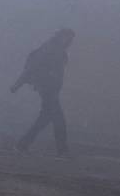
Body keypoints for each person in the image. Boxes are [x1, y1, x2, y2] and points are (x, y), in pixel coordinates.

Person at [12, 28, 75, 156]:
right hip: (47, 90)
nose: (67, 40)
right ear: (59, 36)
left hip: (51, 90)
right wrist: (17, 84)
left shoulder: (59, 51)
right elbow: (32, 67)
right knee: (59, 120)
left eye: (69, 38)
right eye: (65, 36)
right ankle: (62, 150)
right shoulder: (50, 48)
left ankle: (22, 144)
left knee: (44, 119)